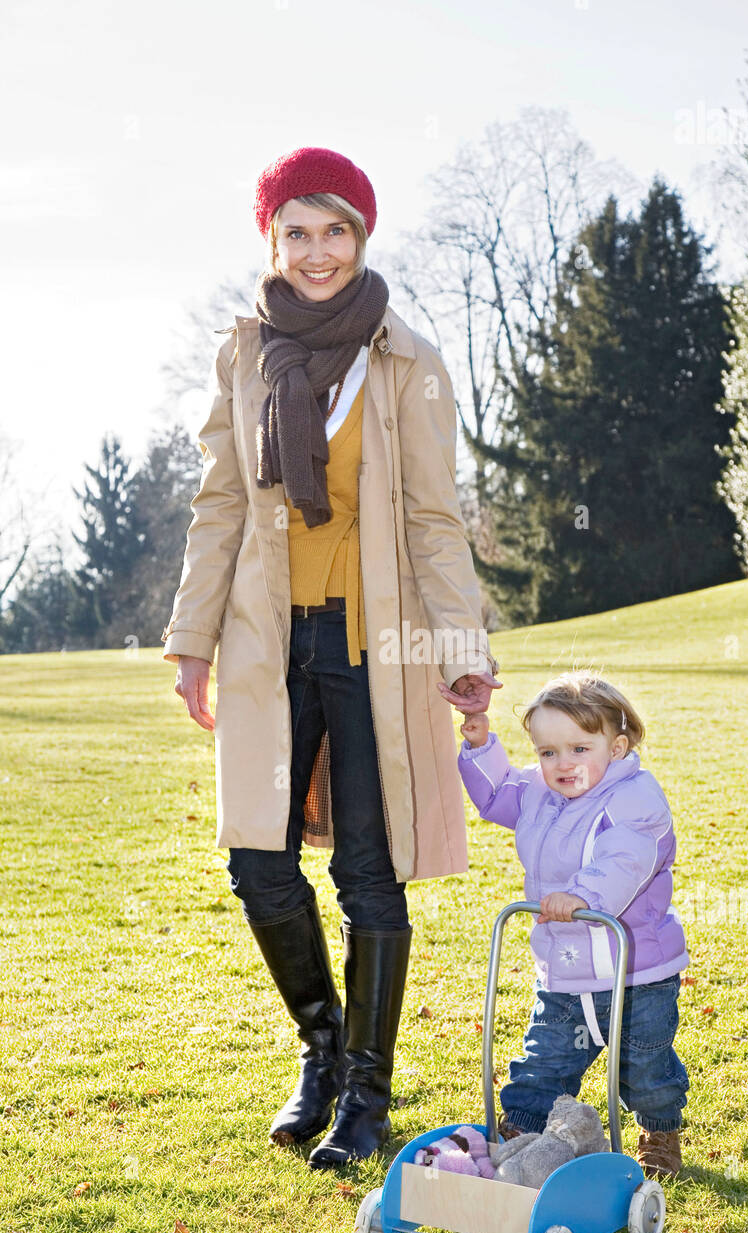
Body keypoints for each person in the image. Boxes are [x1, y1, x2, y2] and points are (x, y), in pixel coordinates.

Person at [162, 146, 500, 1168]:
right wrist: (188, 641)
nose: (316, 252)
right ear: (271, 241)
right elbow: (220, 503)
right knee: (257, 860)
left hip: (373, 639)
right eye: (295, 233)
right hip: (268, 641)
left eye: (335, 230)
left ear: (362, 235)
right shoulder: (244, 355)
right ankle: (320, 1048)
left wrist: (461, 647)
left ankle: (366, 1089)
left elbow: (436, 523)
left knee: (365, 865)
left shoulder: (407, 359)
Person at [457, 670, 690, 1178]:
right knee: (545, 1057)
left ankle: (659, 1130)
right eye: (547, 752)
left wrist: (582, 896)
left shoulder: (635, 799)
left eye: (580, 749)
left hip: (636, 973)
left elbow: (625, 860)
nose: (563, 765)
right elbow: (500, 794)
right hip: (564, 970)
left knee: (644, 1066)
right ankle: (520, 1130)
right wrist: (481, 746)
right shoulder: (542, 792)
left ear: (618, 746)